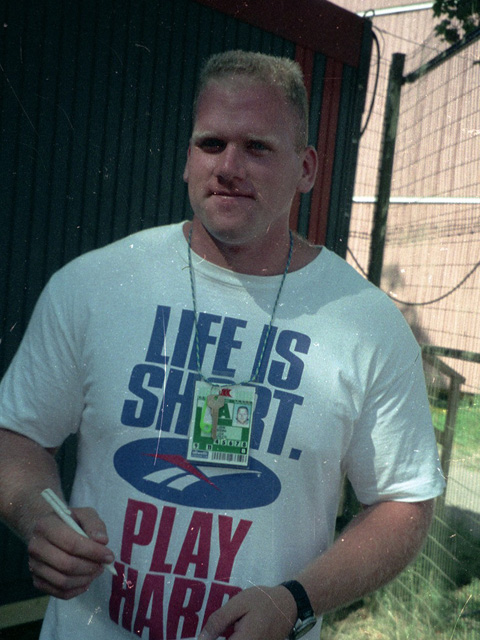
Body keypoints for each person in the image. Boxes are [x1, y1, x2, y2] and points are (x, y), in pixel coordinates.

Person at [0, 50, 445, 640]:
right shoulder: (94, 286)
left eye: (257, 147)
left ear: (307, 168)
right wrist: (40, 518)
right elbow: (17, 433)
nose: (229, 166)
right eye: (211, 144)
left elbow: (403, 502)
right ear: (187, 159)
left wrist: (294, 602)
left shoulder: (367, 324)